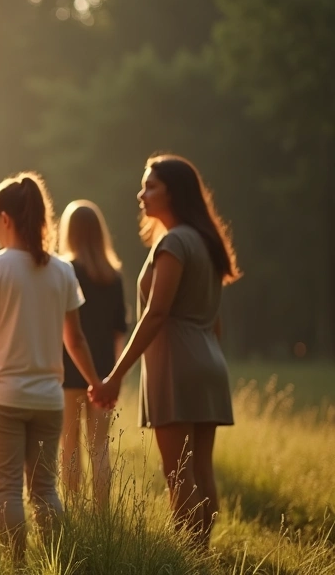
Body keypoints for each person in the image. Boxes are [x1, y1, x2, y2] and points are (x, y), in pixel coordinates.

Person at [91, 155, 240, 548]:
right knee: (202, 469)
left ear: (173, 192)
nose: (141, 194)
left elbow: (156, 314)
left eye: (150, 186)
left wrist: (115, 375)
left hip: (176, 363)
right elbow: (216, 321)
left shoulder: (173, 242)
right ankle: (202, 555)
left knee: (178, 472)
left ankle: (189, 557)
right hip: (208, 360)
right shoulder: (205, 241)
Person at [0, 173, 103, 564]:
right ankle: (57, 564)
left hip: (0, 396)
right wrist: (97, 383)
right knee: (46, 489)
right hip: (49, 399)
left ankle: (16, 565)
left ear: (7, 218)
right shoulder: (61, 270)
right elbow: (75, 340)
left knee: (7, 490)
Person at [57, 200, 125, 506]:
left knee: (68, 445)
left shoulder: (64, 271)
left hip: (68, 369)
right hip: (105, 372)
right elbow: (118, 331)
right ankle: (102, 515)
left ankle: (73, 510)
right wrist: (113, 376)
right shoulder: (114, 276)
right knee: (100, 447)